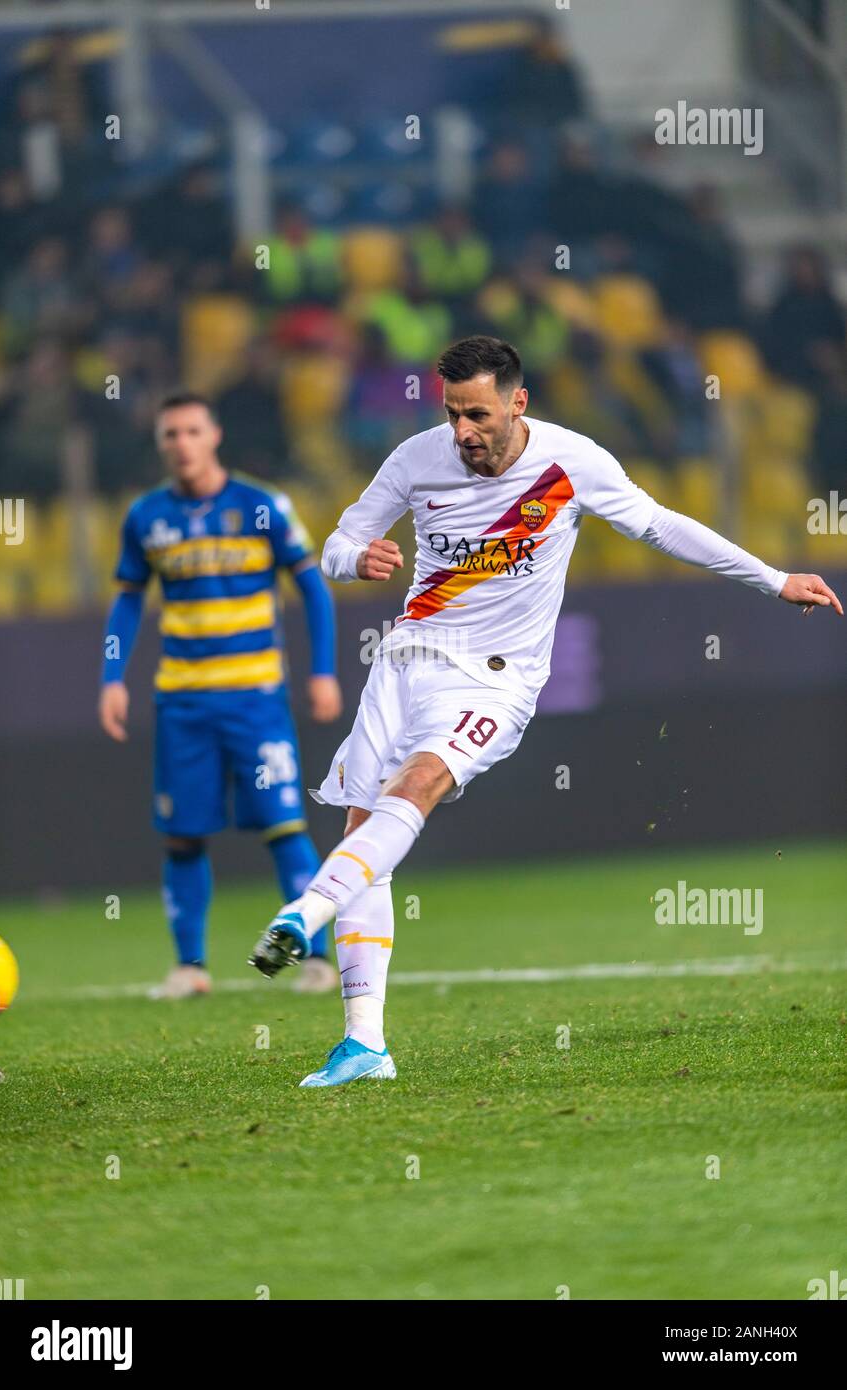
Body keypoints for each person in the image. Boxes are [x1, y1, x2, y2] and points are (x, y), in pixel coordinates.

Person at [248, 336, 842, 1086]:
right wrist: (353, 559)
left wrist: (773, 577)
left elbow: (660, 525)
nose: (465, 431)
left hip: (495, 680)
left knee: (420, 784)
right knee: (365, 831)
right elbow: (340, 538)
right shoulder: (415, 460)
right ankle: (365, 1043)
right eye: (454, 413)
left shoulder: (570, 463)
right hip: (406, 662)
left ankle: (306, 912)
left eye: (479, 414)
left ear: (517, 403)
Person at [99, 392, 343, 997]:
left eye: (191, 431)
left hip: (255, 699)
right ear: (162, 445)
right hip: (182, 702)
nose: (181, 443)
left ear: (214, 436)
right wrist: (112, 677)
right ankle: (191, 968)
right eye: (170, 434)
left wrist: (323, 671)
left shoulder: (262, 506)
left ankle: (314, 958)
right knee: (182, 835)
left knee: (284, 823)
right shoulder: (147, 517)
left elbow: (312, 588)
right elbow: (128, 599)